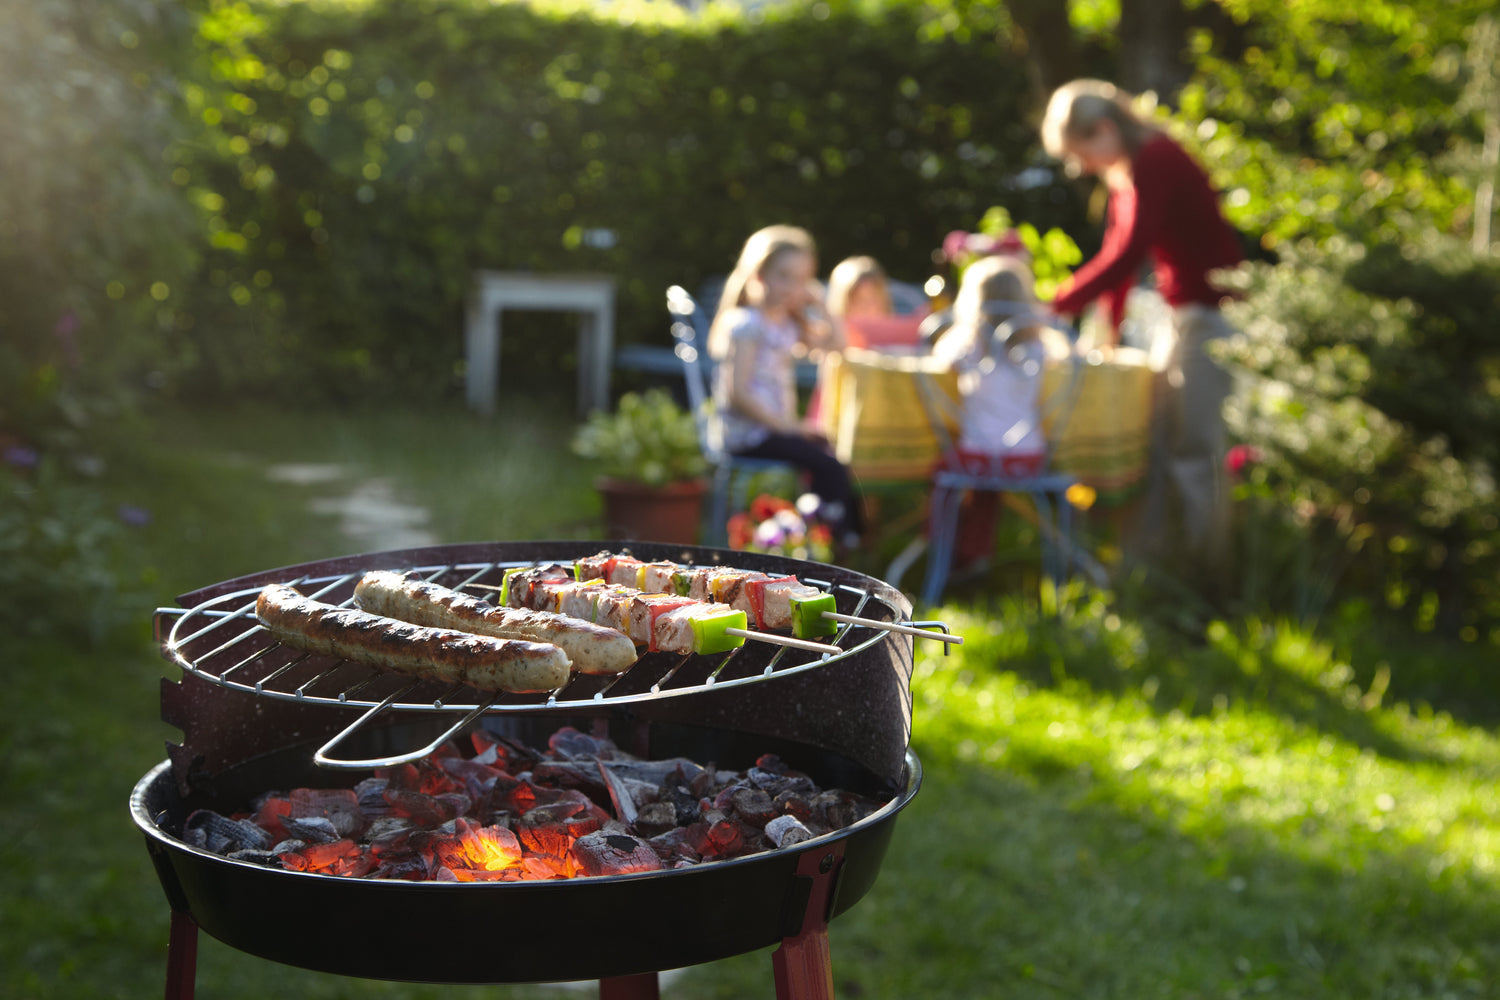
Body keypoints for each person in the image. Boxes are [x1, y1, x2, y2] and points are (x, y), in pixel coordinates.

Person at [1040, 78, 1244, 571]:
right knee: (1154, 435)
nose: (1083, 167)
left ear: (1105, 129)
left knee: (1195, 447)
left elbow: (1127, 252)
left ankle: (1207, 571)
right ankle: (1153, 563)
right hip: (1179, 315)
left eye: (1082, 153)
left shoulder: (1156, 159)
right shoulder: (1127, 173)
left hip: (1211, 315)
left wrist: (1056, 304)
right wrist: (1108, 331)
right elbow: (1120, 257)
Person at [707, 225, 865, 545]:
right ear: (759, 275)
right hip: (749, 434)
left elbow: (838, 346)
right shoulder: (747, 324)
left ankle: (831, 534)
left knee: (833, 452)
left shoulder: (787, 323)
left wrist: (822, 305)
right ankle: (836, 539)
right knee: (827, 464)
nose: (792, 288)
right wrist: (788, 426)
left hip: (775, 430)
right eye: (784, 276)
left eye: (802, 279)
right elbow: (738, 394)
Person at [929, 254, 1071, 570]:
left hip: (975, 456)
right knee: (986, 488)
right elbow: (1067, 359)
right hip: (1028, 457)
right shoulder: (1040, 346)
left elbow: (938, 358)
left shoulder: (967, 346)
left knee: (942, 472)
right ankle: (974, 552)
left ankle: (943, 549)